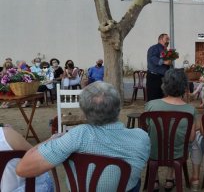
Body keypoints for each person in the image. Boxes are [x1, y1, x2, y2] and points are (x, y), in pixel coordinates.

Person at [16, 81, 150, 192]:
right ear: (118, 109)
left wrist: (50, 140)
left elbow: (22, 169)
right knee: (134, 179)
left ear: (85, 113)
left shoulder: (78, 134)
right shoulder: (141, 137)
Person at [145, 69, 196, 191]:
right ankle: (169, 178)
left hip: (153, 154)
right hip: (178, 155)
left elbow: (146, 132)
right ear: (184, 86)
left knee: (152, 140)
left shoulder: (151, 105)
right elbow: (191, 138)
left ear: (164, 85)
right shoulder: (190, 110)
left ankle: (155, 179)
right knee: (176, 141)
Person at [0, 124, 53, 192]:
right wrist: (51, 139)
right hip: (29, 187)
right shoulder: (6, 134)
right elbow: (37, 156)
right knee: (44, 174)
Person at [146, 33, 171, 101]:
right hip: (154, 77)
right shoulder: (154, 48)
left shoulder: (165, 50)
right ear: (160, 39)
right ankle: (152, 111)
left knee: (161, 97)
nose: (168, 41)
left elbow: (166, 62)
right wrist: (164, 62)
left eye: (168, 39)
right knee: (153, 98)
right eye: (166, 39)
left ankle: (159, 111)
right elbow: (153, 58)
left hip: (162, 77)